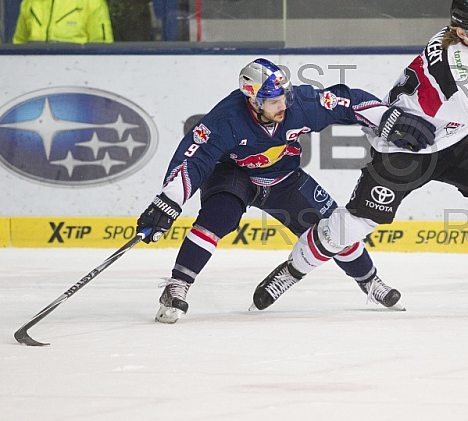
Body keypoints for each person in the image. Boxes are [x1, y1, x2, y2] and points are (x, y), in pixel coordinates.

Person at [251, 0, 468, 316]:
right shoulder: (462, 67)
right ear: (460, 33)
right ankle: (293, 270)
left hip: (455, 137)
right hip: (408, 143)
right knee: (358, 222)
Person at [136, 58, 435, 323]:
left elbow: (347, 102)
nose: (282, 105)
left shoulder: (299, 104)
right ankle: (177, 285)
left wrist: (386, 117)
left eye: (284, 97)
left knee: (336, 228)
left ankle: (370, 282)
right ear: (252, 101)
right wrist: (168, 202)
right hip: (234, 175)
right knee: (219, 216)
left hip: (284, 177)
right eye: (273, 101)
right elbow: (194, 159)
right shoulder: (225, 119)